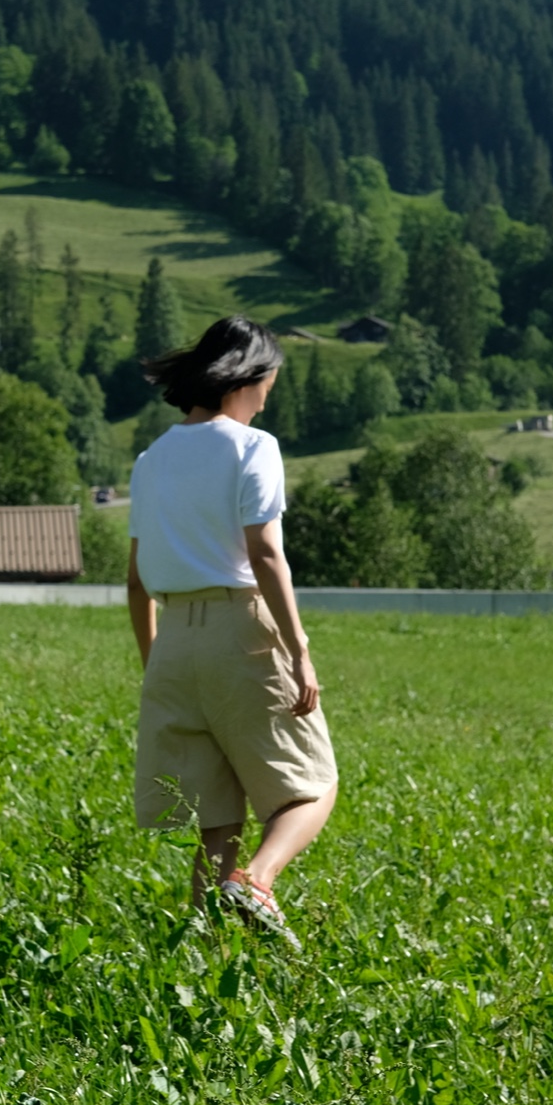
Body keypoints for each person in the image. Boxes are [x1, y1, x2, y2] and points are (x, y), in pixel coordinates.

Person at [126, 315, 337, 948]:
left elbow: (136, 581)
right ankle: (259, 882)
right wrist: (298, 649)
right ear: (248, 376)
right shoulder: (253, 446)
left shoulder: (151, 458)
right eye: (270, 378)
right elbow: (265, 552)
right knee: (312, 785)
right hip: (239, 629)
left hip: (174, 644)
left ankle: (202, 957)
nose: (271, 391)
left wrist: (155, 659)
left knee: (218, 819)